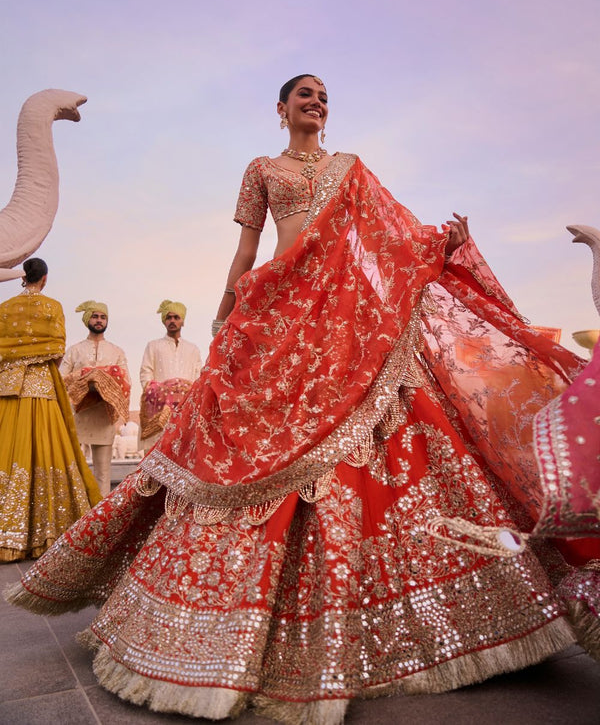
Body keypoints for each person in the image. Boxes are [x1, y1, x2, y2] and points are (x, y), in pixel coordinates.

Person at [7, 77, 599, 724]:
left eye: (322, 95)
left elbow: (393, 236)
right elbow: (247, 249)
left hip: (345, 318)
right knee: (236, 450)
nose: (315, 102)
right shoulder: (261, 169)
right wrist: (225, 314)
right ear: (282, 109)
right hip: (275, 310)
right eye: (304, 95)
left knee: (370, 440)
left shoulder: (351, 170)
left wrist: (439, 243)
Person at [0, 258, 101, 561]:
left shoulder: (4, 309)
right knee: (46, 449)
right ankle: (47, 530)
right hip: (42, 388)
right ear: (44, 278)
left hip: (9, 389)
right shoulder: (53, 307)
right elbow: (57, 349)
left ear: (24, 278)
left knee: (9, 450)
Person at [60, 301, 130, 497]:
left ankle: (99, 518)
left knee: (103, 473)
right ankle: (75, 514)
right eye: (95, 316)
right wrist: (85, 377)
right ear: (87, 319)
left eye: (103, 317)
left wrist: (102, 378)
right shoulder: (75, 350)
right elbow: (61, 378)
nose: (99, 321)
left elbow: (125, 379)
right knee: (74, 471)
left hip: (104, 416)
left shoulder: (117, 351)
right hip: (78, 416)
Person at [138, 300, 202, 451]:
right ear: (164, 322)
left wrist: (185, 390)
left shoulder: (193, 349)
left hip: (185, 409)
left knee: (182, 453)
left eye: (176, 317)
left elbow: (198, 377)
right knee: (155, 454)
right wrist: (160, 391)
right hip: (158, 408)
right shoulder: (153, 345)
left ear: (183, 321)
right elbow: (145, 373)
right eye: (169, 317)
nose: (172, 321)